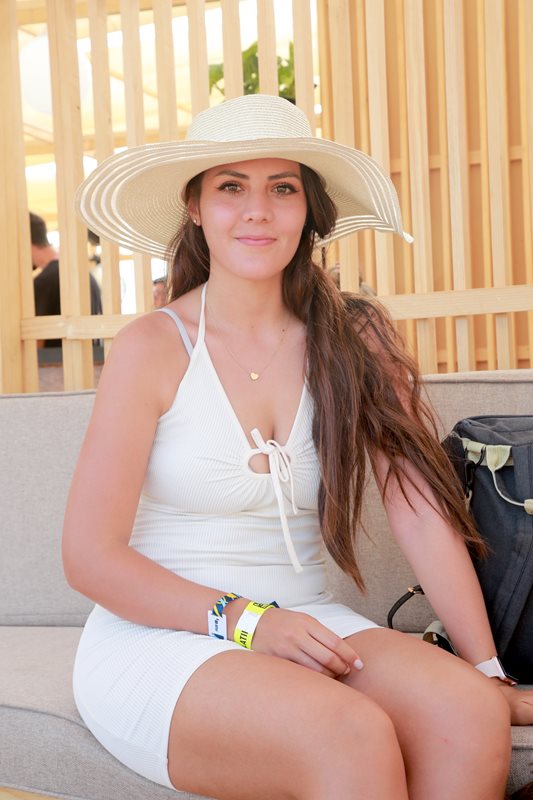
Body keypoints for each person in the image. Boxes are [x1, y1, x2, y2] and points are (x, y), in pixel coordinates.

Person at [63, 94, 533, 800]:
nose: (257, 211)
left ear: (308, 208)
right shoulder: (151, 348)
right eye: (231, 187)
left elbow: (417, 510)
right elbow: (89, 556)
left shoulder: (355, 338)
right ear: (195, 207)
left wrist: (486, 671)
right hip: (164, 636)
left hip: (308, 620)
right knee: (347, 731)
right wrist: (249, 623)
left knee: (467, 712)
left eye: (282, 188)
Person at [30, 212, 103, 346]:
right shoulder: (84, 274)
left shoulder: (44, 281)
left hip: (56, 359)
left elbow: (36, 341)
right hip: (92, 357)